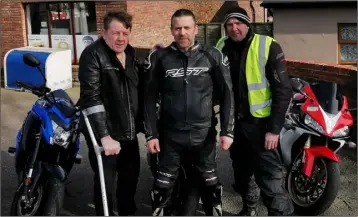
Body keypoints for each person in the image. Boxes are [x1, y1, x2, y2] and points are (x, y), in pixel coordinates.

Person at [143, 8, 235, 216]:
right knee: (162, 187)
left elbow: (228, 94)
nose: (182, 32)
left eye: (186, 28)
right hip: (170, 136)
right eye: (177, 28)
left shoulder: (213, 56)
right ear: (171, 30)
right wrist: (151, 135)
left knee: (211, 184)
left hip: (203, 135)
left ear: (195, 29)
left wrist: (228, 131)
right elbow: (148, 99)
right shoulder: (160, 58)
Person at [215, 7, 294, 216]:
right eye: (229, 25)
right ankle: (249, 210)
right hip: (234, 126)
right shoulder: (221, 46)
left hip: (262, 126)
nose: (234, 28)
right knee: (242, 174)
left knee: (271, 180)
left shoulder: (268, 45)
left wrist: (274, 129)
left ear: (247, 24)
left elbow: (283, 90)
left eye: (238, 23)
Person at [78, 10, 143, 216]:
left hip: (128, 130)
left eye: (125, 33)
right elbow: (91, 97)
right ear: (104, 33)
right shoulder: (93, 54)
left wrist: (158, 53)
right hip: (105, 132)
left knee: (130, 178)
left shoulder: (132, 54)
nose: (121, 38)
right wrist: (104, 135)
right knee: (106, 183)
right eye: (115, 33)